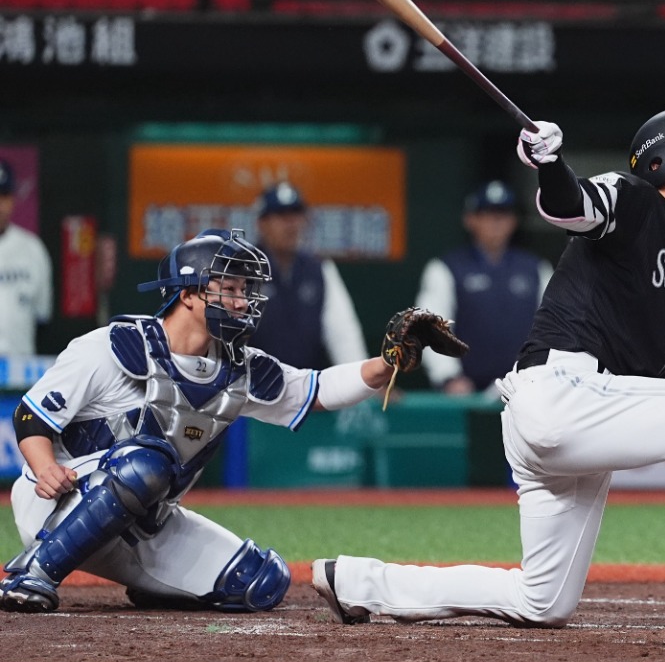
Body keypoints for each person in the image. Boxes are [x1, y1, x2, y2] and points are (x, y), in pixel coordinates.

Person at [312, 106, 665, 641]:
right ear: (663, 163)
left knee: (543, 601)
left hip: (578, 415)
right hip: (563, 389)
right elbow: (569, 205)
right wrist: (550, 163)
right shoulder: (634, 198)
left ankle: (358, 581)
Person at [0, 229, 463, 614]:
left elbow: (317, 389)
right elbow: (30, 415)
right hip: (58, 506)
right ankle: (32, 573)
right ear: (188, 294)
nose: (243, 301)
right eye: (230, 288)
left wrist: (388, 362)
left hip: (143, 525)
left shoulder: (239, 367)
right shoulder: (114, 346)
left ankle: (155, 585)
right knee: (146, 464)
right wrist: (44, 467)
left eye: (245, 290)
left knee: (260, 581)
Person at [415, 180, 552, 395]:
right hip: (466, 394)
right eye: (487, 214)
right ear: (470, 219)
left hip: (526, 391)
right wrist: (449, 377)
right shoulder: (446, 268)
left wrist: (544, 375)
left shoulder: (536, 268)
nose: (496, 222)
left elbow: (553, 330)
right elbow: (430, 327)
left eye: (503, 214)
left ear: (514, 221)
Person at [248, 182, 368, 368]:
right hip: (252, 382)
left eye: (295, 215)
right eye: (281, 216)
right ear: (261, 223)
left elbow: (343, 335)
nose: (290, 224)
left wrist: (361, 377)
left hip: (306, 382)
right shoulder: (242, 267)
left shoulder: (319, 268)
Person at [0, 158, 53, 356]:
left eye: (4, 195)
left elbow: (42, 315)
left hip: (21, 366)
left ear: (13, 199)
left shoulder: (32, 249)